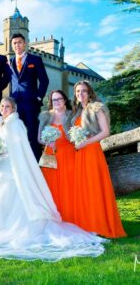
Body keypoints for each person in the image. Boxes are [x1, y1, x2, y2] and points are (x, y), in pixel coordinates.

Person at [0, 97, 108, 262]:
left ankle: (3, 226)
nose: (4, 109)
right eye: (2, 106)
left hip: (11, 165)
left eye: (8, 106)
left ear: (14, 108)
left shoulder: (16, 124)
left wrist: (4, 151)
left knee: (6, 195)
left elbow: (19, 146)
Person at [71, 81, 126, 238]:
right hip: (80, 153)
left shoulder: (97, 108)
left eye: (84, 91)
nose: (80, 94)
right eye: (77, 91)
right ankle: (86, 223)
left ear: (89, 93)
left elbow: (105, 132)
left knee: (94, 186)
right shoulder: (76, 112)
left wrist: (85, 143)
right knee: (84, 188)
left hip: (92, 152)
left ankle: (98, 223)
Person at [9, 33, 49, 160]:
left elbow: (44, 80)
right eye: (14, 43)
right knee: (16, 136)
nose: (17, 45)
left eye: (19, 42)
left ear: (25, 43)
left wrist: (39, 97)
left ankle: (37, 165)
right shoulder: (9, 62)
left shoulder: (35, 60)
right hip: (15, 106)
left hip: (32, 104)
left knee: (33, 136)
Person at [38, 90, 75, 223]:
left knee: (68, 186)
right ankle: (53, 217)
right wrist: (49, 142)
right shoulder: (45, 116)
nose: (57, 102)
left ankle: (69, 216)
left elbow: (77, 134)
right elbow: (39, 138)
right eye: (54, 100)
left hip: (68, 153)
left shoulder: (72, 115)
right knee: (51, 187)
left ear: (65, 100)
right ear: (51, 102)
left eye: (59, 99)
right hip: (51, 156)